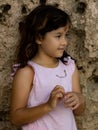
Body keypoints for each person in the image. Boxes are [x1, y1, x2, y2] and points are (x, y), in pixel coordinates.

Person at [10, 4, 86, 130]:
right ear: (39, 38)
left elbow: (79, 111)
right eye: (58, 36)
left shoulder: (69, 67)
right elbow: (15, 118)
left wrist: (79, 99)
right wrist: (48, 106)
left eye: (65, 35)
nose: (64, 42)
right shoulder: (28, 72)